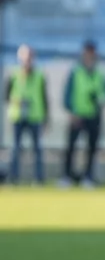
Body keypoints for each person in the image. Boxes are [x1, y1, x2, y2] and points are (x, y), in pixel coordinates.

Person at [60, 40, 105, 188]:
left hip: (94, 115)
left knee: (91, 149)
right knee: (71, 147)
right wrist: (71, 111)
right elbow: (68, 94)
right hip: (77, 115)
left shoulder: (100, 73)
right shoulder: (76, 72)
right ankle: (67, 176)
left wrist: (99, 99)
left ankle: (88, 176)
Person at [5, 44, 49, 185]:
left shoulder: (40, 75)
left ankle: (38, 179)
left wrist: (46, 118)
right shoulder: (13, 74)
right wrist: (16, 101)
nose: (27, 60)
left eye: (29, 57)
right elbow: (6, 96)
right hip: (18, 116)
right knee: (15, 148)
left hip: (35, 116)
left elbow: (44, 97)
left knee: (37, 149)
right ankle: (13, 178)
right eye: (24, 57)